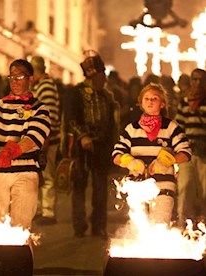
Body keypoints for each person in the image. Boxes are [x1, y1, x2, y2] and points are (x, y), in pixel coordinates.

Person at [0, 59, 51, 229]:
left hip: (26, 172)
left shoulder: (39, 108)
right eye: (11, 76)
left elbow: (36, 136)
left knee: (21, 226)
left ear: (31, 79)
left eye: (19, 76)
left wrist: (12, 151)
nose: (14, 81)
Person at [113, 83, 191, 225]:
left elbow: (185, 153)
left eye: (154, 98)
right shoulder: (131, 129)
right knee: (139, 229)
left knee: (159, 227)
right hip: (136, 186)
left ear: (162, 104)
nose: (150, 101)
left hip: (164, 186)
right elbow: (116, 155)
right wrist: (129, 161)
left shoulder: (171, 127)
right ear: (141, 103)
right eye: (146, 99)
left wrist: (168, 160)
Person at [63, 52, 119, 238]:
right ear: (92, 75)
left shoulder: (106, 96)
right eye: (101, 75)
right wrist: (83, 137)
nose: (103, 79)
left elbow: (111, 124)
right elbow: (71, 119)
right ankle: (79, 225)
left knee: (100, 189)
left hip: (101, 148)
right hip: (81, 148)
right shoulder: (75, 93)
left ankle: (99, 225)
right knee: (79, 186)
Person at [30, 56, 60, 225]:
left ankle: (48, 211)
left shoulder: (46, 86)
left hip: (47, 139)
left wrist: (45, 138)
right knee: (41, 174)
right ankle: (42, 209)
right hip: (43, 138)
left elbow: (48, 115)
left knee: (47, 175)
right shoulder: (43, 85)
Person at [175, 68, 206, 226]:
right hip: (188, 153)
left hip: (204, 155)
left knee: (204, 192)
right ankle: (183, 224)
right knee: (185, 188)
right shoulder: (184, 102)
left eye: (201, 80)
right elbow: (179, 129)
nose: (198, 83)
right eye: (195, 79)